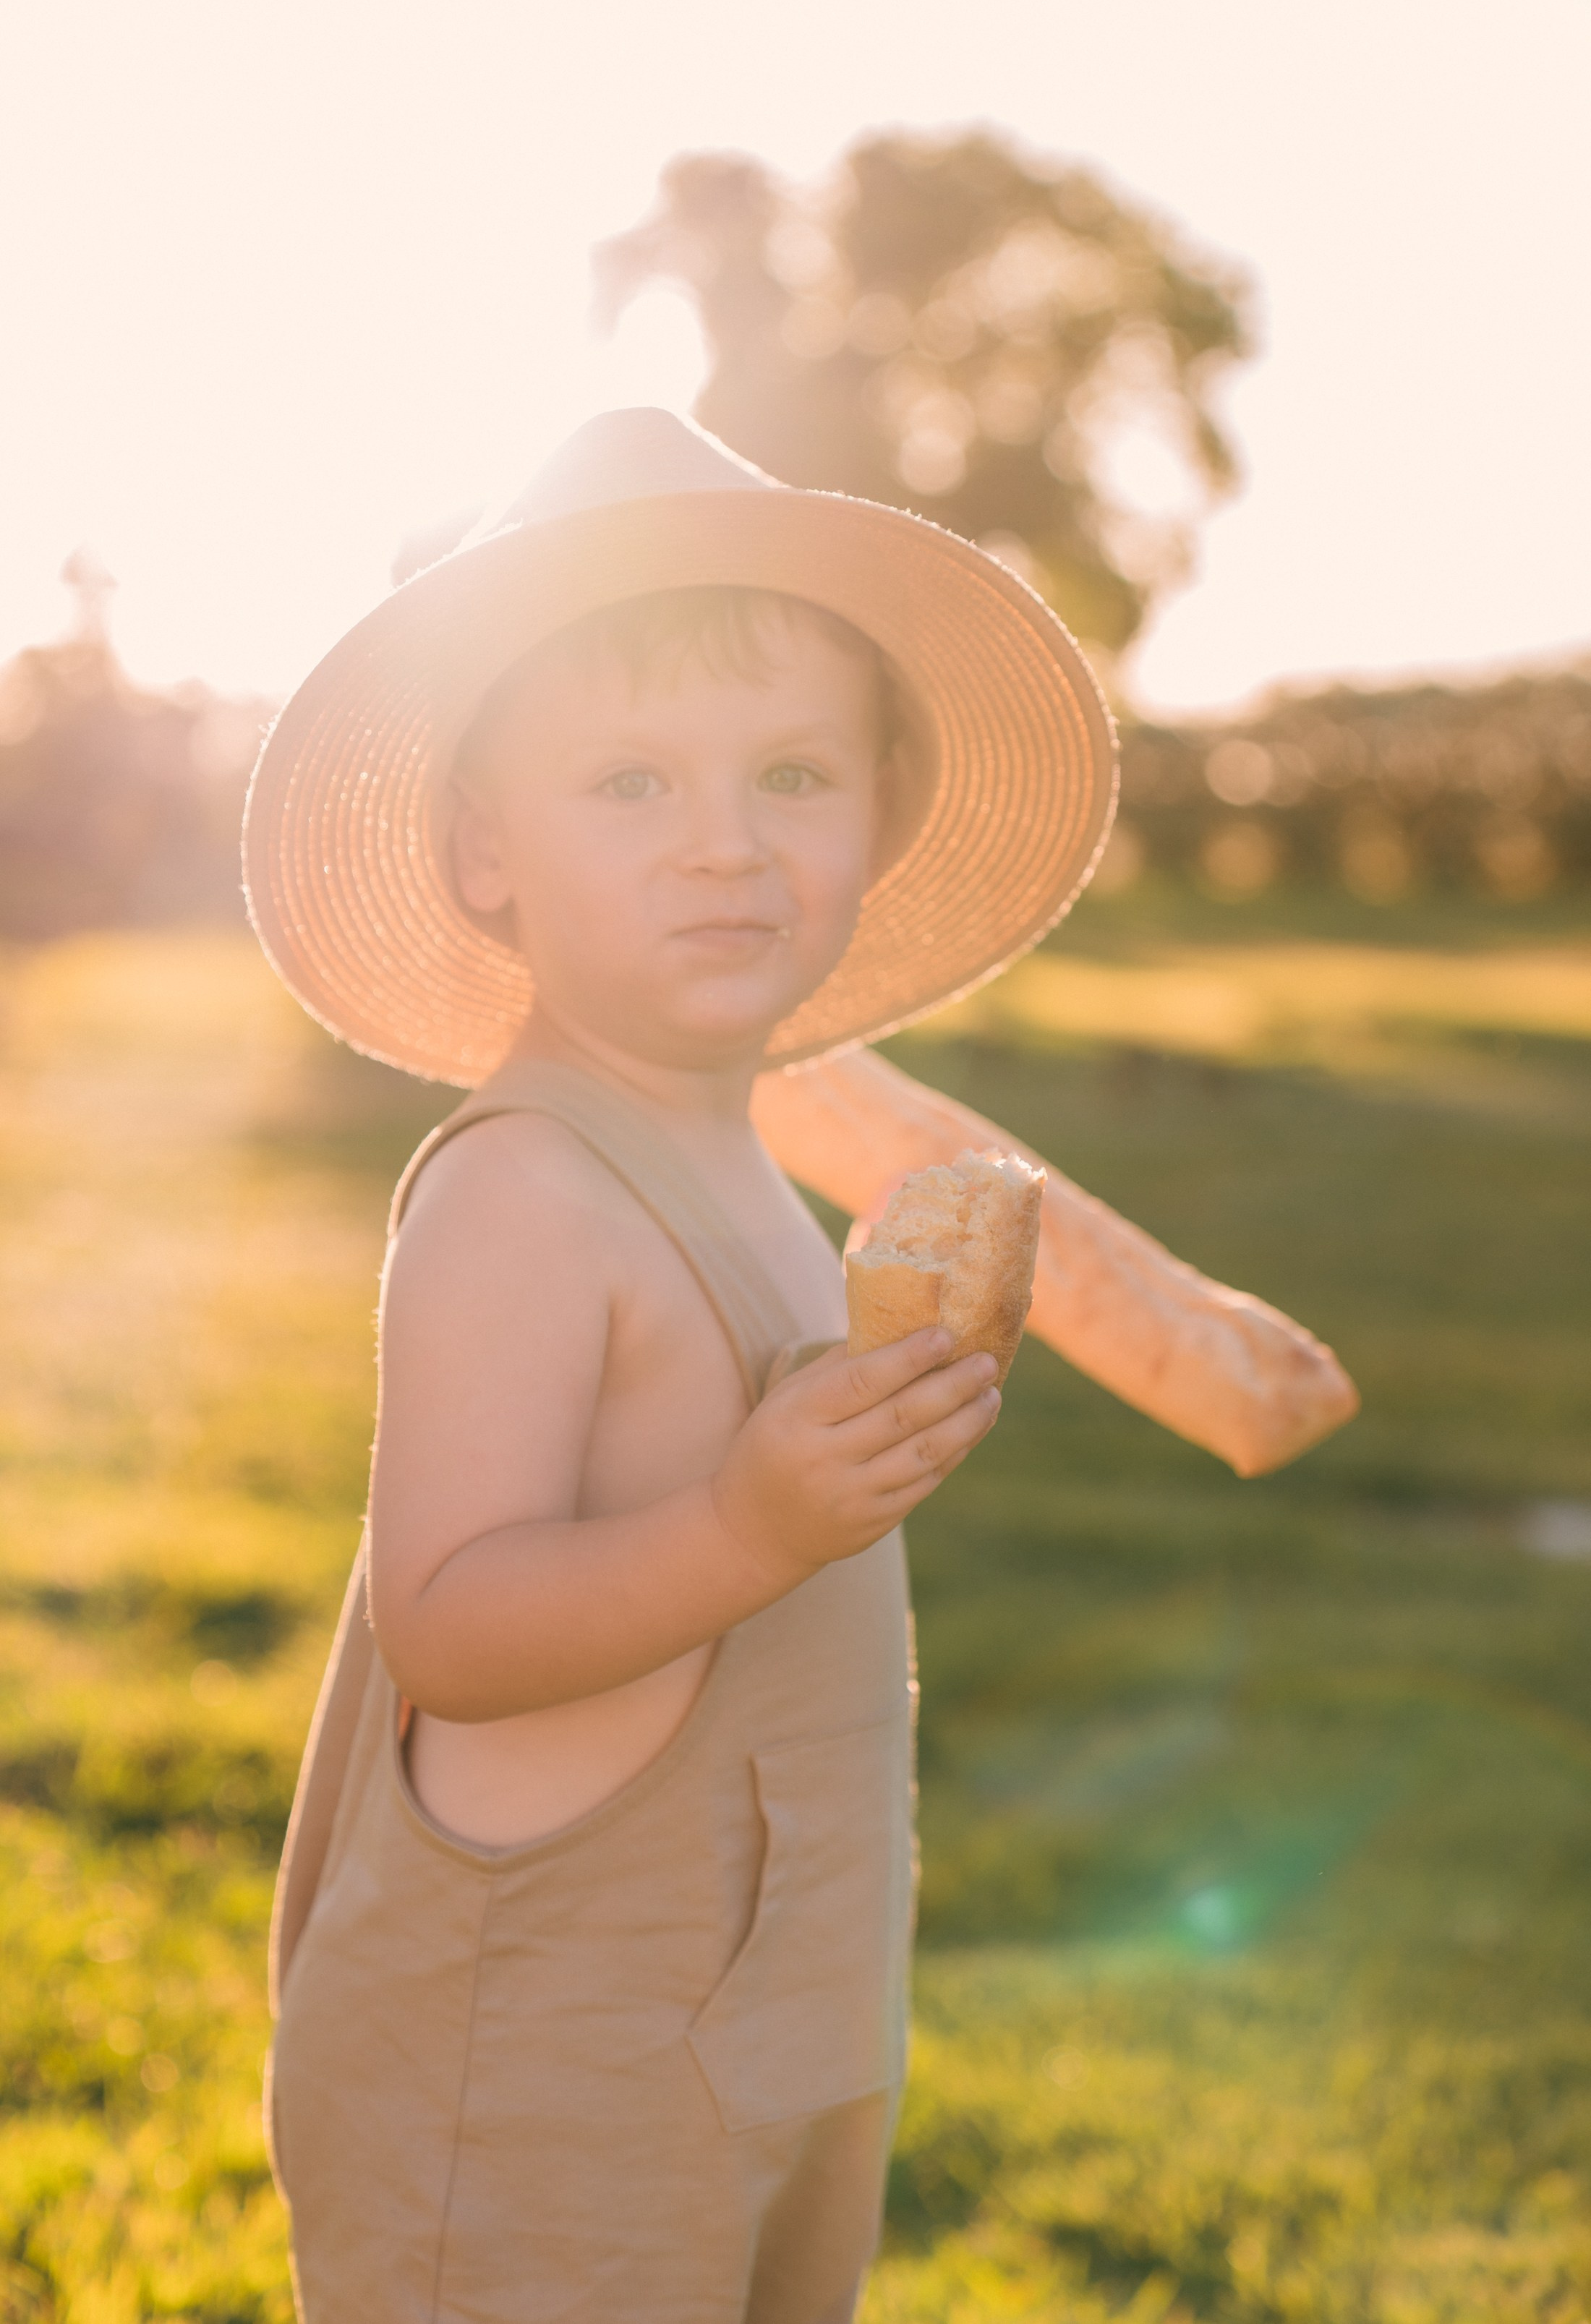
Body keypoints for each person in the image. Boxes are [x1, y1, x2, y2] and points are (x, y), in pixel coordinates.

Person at [244, 408, 1356, 2323]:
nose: (728, 844)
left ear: (879, 816)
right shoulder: (525, 1193)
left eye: (788, 773)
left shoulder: (762, 1156)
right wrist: (753, 1517)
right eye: (630, 783)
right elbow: (450, 1621)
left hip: (773, 2014)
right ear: (484, 851)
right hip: (544, 2069)